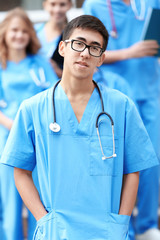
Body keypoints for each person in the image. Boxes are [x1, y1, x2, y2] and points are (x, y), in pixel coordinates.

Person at [0, 15, 159, 240]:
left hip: (107, 232)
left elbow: (133, 170)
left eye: (95, 48)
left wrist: (121, 222)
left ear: (101, 59)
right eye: (79, 43)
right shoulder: (33, 108)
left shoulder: (121, 106)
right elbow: (20, 171)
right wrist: (43, 219)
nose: (85, 52)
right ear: (62, 47)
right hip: (56, 233)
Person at [83, 1, 160, 239]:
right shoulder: (95, 4)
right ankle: (116, 227)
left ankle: (146, 225)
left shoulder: (151, 3)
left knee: (151, 161)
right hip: (114, 93)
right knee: (114, 162)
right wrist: (129, 52)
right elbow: (87, 50)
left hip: (150, 91)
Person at [0, 7, 58, 240]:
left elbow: (54, 94)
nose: (19, 35)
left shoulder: (39, 63)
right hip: (7, 135)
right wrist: (14, 127)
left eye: (25, 31)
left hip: (39, 137)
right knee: (11, 197)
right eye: (14, 30)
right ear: (4, 33)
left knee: (40, 194)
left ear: (31, 35)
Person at [36, 0, 72, 77]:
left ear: (70, 5)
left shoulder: (73, 36)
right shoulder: (33, 32)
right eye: (52, 4)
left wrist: (57, 71)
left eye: (62, 5)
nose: (57, 10)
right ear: (45, 5)